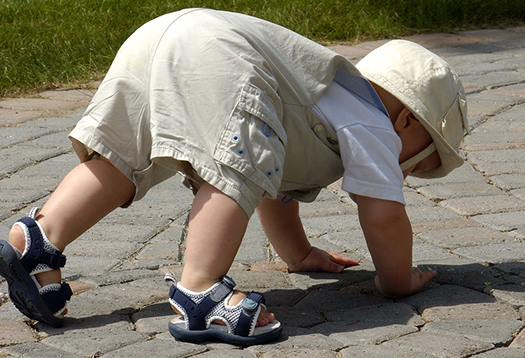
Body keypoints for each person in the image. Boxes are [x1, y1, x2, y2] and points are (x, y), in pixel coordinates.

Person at [0, 8, 468, 346]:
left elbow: (274, 186)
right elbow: (384, 216)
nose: (403, 172)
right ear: (407, 120)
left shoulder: (331, 103)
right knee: (235, 165)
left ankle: (39, 240)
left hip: (164, 34)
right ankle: (201, 288)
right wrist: (398, 281)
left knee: (126, 160)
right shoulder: (373, 120)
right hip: (223, 58)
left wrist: (299, 253)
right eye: (419, 163)